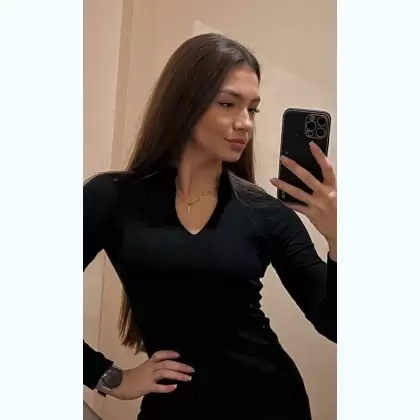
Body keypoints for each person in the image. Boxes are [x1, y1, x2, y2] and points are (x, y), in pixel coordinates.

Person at [83, 33, 337, 420]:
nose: (245, 123)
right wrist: (108, 376)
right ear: (183, 103)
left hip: (271, 404)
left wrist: (338, 238)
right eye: (228, 104)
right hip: (173, 409)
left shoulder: (265, 212)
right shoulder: (111, 198)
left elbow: (334, 323)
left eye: (253, 109)